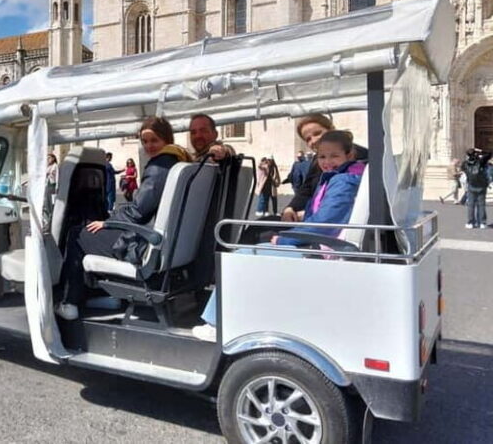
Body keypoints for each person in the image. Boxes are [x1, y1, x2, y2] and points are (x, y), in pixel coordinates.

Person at [193, 131, 367, 341]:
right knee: (253, 244)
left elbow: (324, 224)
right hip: (323, 244)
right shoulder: (342, 177)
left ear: (349, 155)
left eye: (334, 156)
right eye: (322, 157)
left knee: (238, 257)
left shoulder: (343, 182)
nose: (327, 162)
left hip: (321, 248)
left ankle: (215, 324)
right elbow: (329, 214)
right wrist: (300, 217)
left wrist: (285, 239)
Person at [56, 116, 192, 320]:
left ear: (166, 140)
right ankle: (100, 295)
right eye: (144, 141)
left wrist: (108, 221)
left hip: (144, 243)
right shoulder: (180, 162)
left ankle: (70, 302)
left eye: (154, 140)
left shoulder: (159, 166)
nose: (149, 146)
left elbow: (138, 211)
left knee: (78, 234)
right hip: (161, 239)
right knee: (94, 232)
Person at [281, 113, 368, 223]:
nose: (313, 140)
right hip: (315, 219)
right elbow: (307, 189)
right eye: (308, 139)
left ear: (331, 129)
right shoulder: (317, 159)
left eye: (317, 133)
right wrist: (290, 208)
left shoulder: (358, 155)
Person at [461, 148, 492, 229]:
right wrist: (480, 151)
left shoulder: (465, 163)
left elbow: (463, 170)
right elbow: (490, 153)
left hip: (471, 185)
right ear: (475, 154)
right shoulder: (481, 162)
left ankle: (470, 222)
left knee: (471, 205)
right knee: (481, 205)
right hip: (481, 186)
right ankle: (482, 222)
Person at [44, 153, 59, 230]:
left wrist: (57, 188)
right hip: (47, 187)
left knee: (51, 206)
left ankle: (50, 225)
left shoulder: (55, 166)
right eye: (47, 158)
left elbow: (57, 178)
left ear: (53, 158)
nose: (48, 160)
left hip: (52, 187)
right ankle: (47, 224)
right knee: (46, 205)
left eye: (49, 158)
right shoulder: (47, 167)